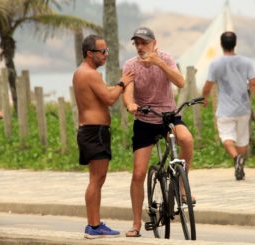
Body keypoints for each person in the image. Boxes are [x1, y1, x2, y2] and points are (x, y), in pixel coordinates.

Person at [123, 27, 195, 237]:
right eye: (136, 43)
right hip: (145, 119)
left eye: (144, 42)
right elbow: (128, 93)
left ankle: (182, 184)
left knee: (187, 140)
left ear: (154, 43)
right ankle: (136, 223)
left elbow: (181, 82)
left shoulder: (165, 58)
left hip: (168, 117)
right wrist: (130, 105)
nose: (140, 47)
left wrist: (159, 63)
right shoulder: (130, 65)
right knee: (138, 173)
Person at [72, 34, 134, 238]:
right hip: (95, 132)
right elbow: (108, 98)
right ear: (90, 54)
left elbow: (102, 92)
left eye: (107, 50)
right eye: (103, 51)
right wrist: (123, 83)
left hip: (90, 131)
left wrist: (117, 86)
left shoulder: (82, 72)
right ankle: (94, 226)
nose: (106, 54)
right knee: (96, 180)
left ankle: (94, 223)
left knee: (96, 179)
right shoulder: (89, 73)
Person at [202, 31, 255, 181]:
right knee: (242, 139)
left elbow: (207, 86)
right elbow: (254, 83)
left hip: (225, 109)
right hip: (243, 107)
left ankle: (236, 158)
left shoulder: (215, 64)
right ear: (235, 43)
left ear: (221, 44)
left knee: (226, 137)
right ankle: (240, 164)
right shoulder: (246, 62)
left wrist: (204, 98)